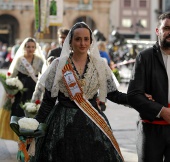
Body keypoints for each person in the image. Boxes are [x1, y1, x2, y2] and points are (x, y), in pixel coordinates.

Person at [29, 22, 129, 162]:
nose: (82, 43)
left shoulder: (100, 65)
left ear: (91, 41)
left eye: (86, 39)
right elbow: (48, 101)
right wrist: (34, 125)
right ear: (70, 42)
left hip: (92, 124)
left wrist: (137, 98)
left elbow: (113, 94)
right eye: (78, 39)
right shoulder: (59, 65)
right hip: (62, 125)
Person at [127, 12, 170, 162]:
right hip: (151, 130)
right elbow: (133, 95)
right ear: (158, 31)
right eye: (166, 28)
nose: (169, 32)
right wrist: (161, 111)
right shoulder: (144, 57)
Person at [0, 37, 45, 141]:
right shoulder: (20, 60)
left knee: (32, 114)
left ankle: (30, 140)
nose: (30, 49)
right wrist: (10, 89)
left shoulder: (39, 61)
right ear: (24, 47)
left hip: (34, 92)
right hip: (20, 93)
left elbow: (43, 76)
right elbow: (12, 76)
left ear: (36, 48)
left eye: (33, 47)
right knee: (19, 114)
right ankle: (21, 141)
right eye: (28, 46)